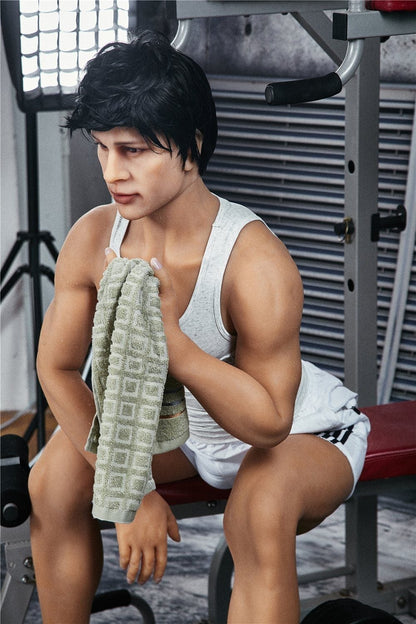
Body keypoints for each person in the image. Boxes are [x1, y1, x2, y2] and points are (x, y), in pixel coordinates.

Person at [30, 30, 370, 624]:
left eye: (133, 150)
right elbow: (56, 369)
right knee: (54, 480)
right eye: (102, 148)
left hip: (300, 432)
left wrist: (177, 347)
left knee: (258, 510)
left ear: (191, 146)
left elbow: (270, 423)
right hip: (188, 432)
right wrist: (132, 487)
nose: (112, 171)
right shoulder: (94, 237)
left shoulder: (254, 262)